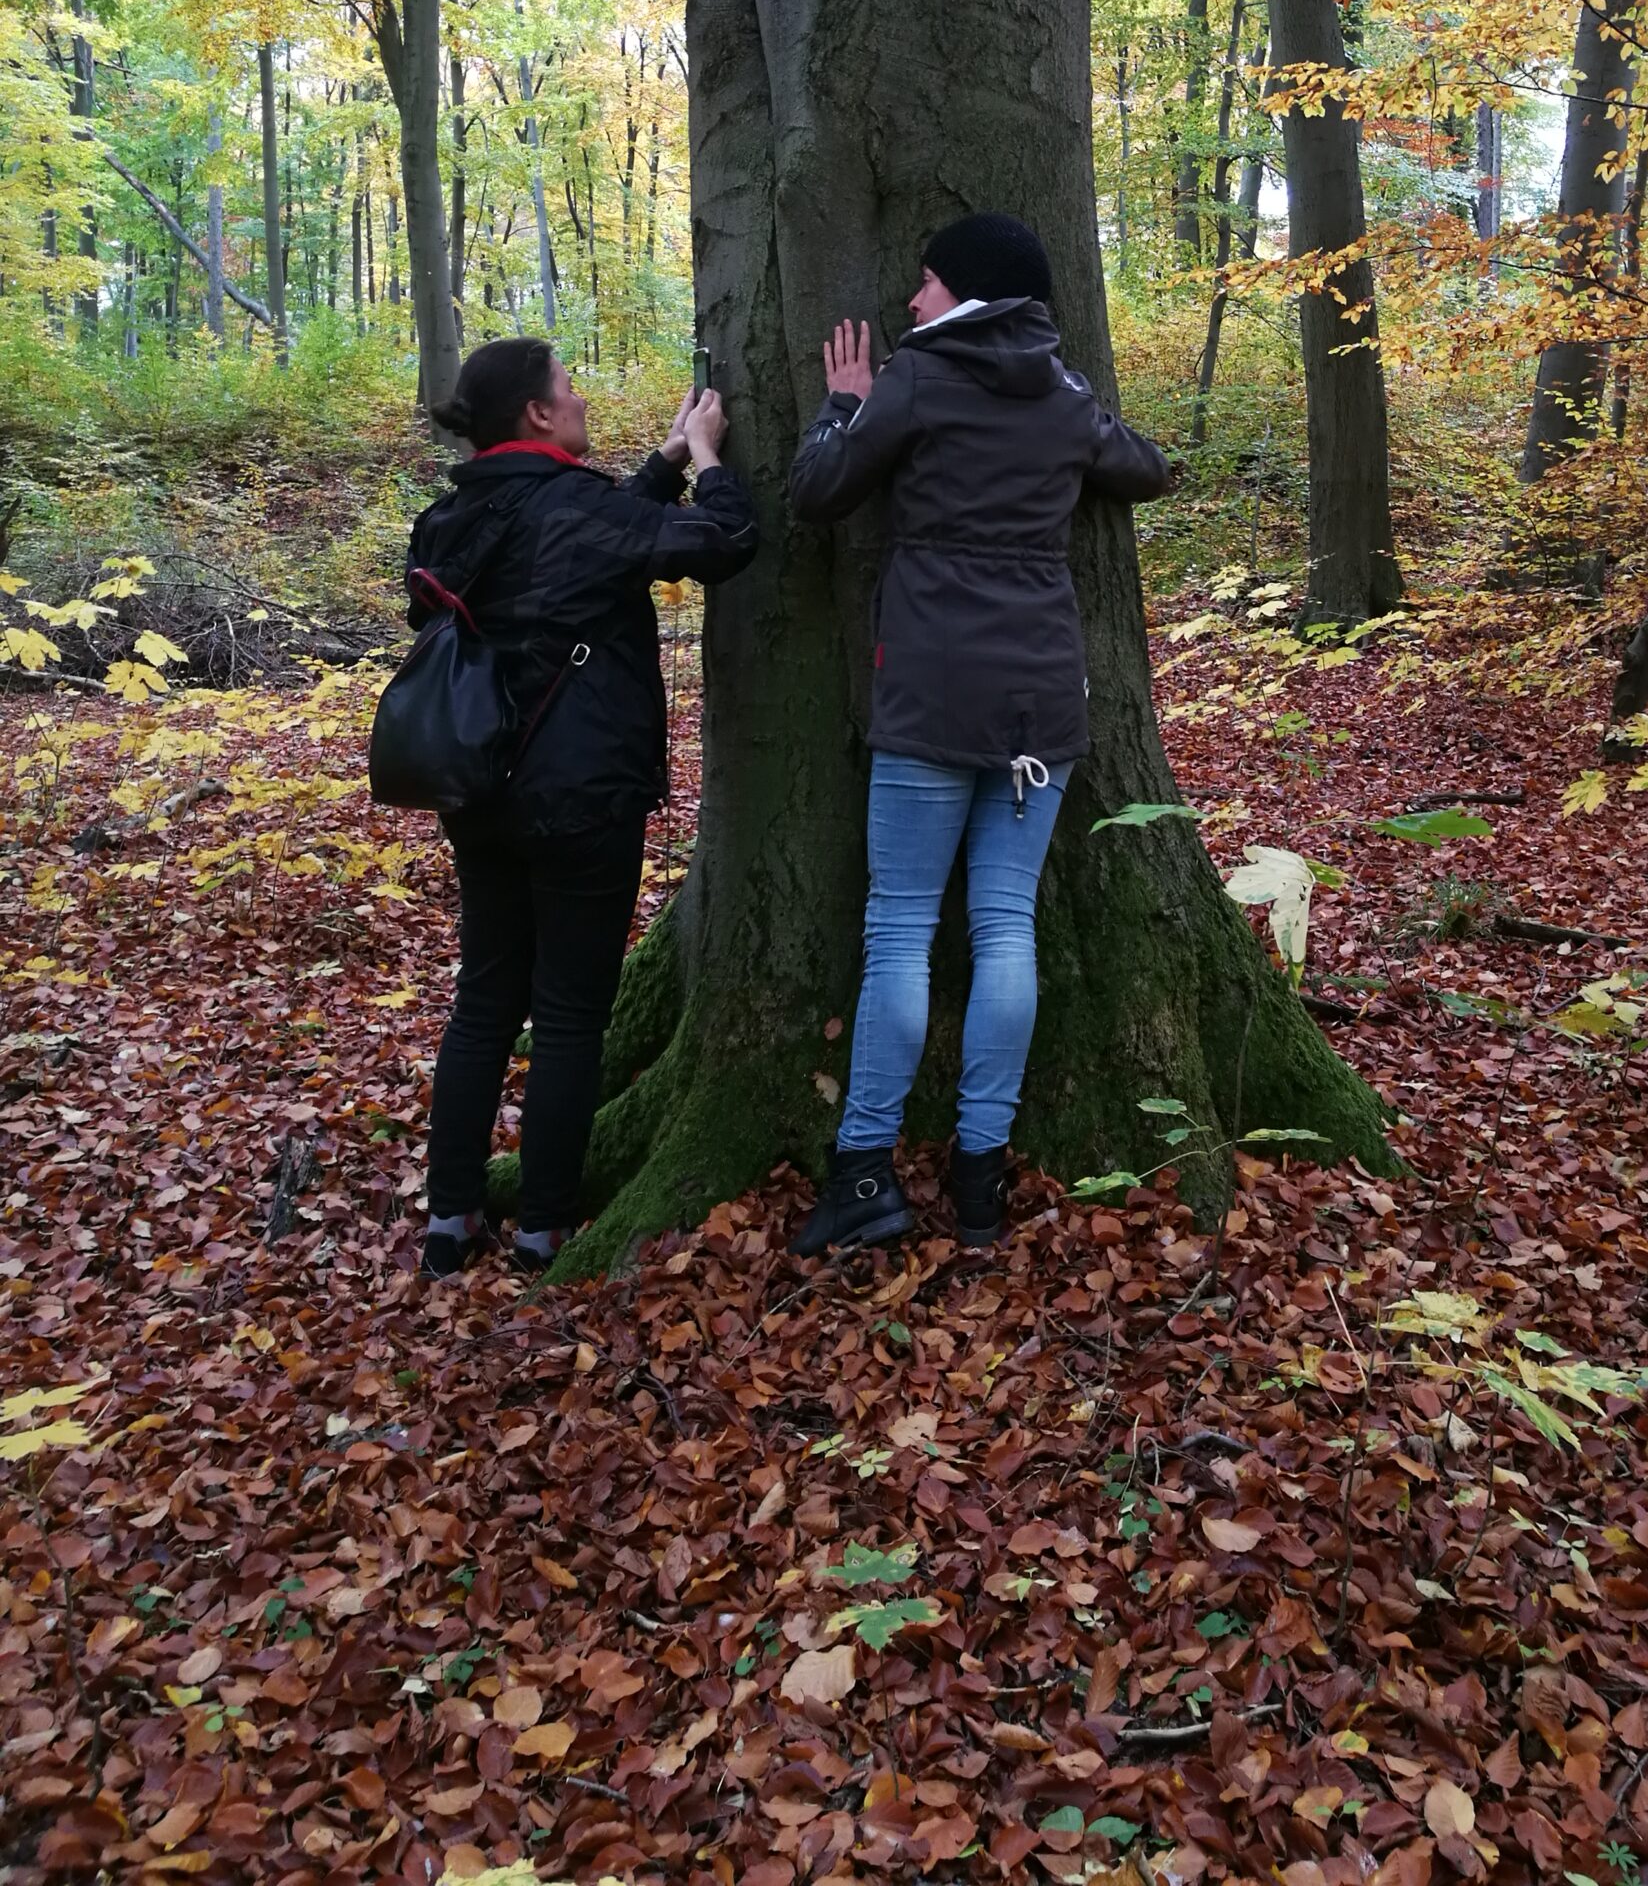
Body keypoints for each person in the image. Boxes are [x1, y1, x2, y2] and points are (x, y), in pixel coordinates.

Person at [788, 213, 1170, 1254]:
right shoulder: (1064, 394)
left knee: (901, 928)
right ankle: (980, 1184)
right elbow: (1145, 467)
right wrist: (1094, 428)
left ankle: (865, 1169)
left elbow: (817, 490)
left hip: (928, 694)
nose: (912, 302)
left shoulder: (916, 378)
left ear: (967, 293)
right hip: (1040, 703)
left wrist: (841, 405)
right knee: (1007, 923)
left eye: (926, 282)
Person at [406, 337, 755, 1277]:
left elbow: (589, 543)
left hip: (478, 790)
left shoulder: (449, 517)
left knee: (483, 1004)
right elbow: (724, 543)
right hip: (583, 797)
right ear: (536, 415)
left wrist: (667, 459)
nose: (580, 397)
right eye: (568, 388)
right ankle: (544, 1226)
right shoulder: (577, 510)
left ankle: (450, 1220)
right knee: (567, 1017)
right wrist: (713, 464)